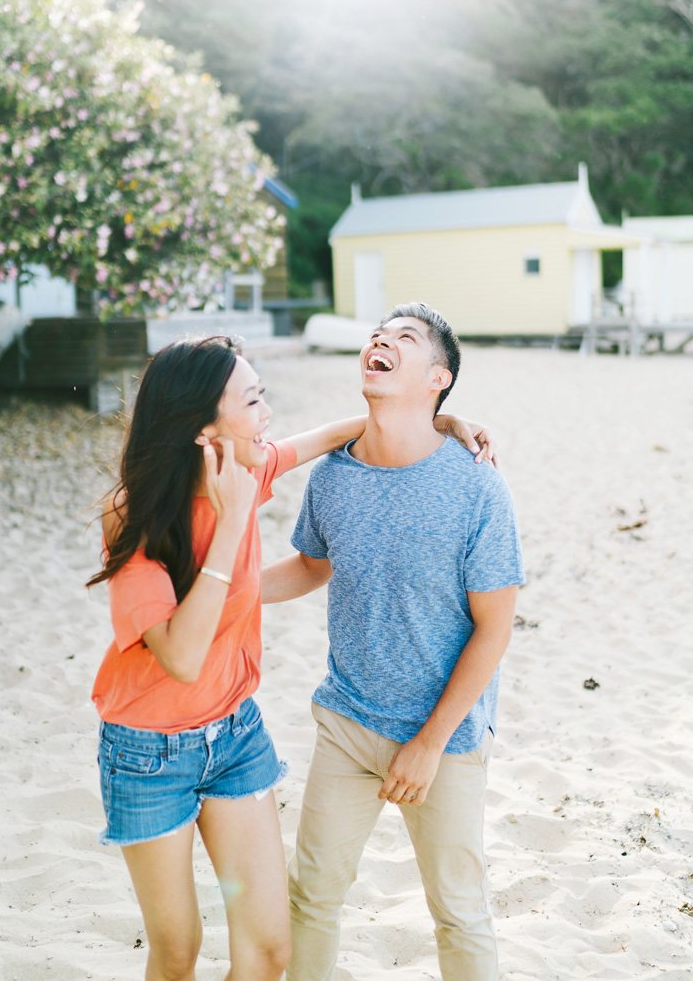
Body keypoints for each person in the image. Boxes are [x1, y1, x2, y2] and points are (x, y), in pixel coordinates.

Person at [88, 333, 494, 981]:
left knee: (270, 950)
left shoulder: (248, 465)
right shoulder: (133, 518)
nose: (267, 414)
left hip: (236, 735)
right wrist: (230, 522)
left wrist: (434, 416)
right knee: (177, 949)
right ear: (203, 429)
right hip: (147, 751)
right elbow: (184, 656)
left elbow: (329, 436)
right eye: (252, 400)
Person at [262, 303, 525, 981]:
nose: (381, 339)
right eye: (379, 333)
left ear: (437, 377)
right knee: (312, 896)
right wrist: (226, 592)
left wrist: (429, 743)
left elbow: (495, 626)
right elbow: (315, 565)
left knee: (459, 911)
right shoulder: (334, 476)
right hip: (348, 722)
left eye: (404, 338)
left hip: (447, 739)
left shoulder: (476, 487)